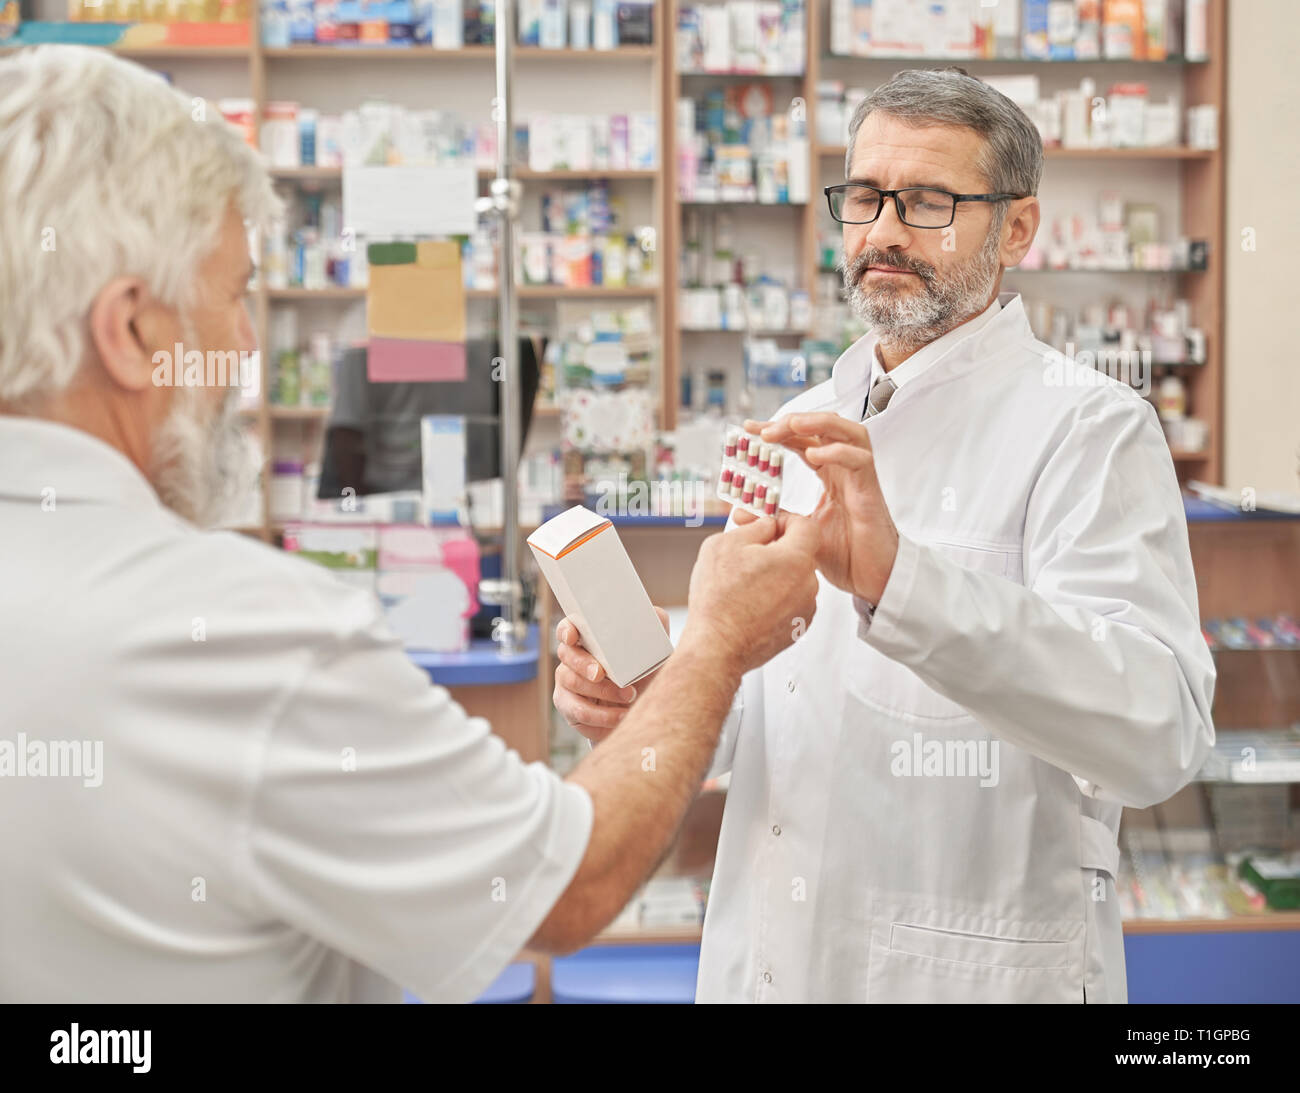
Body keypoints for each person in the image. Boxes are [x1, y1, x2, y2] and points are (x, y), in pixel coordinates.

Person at [0, 45, 821, 1003]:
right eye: (233, 297)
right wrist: (715, 643)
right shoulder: (240, 629)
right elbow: (561, 885)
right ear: (133, 329)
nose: (248, 346)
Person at [554, 68, 1217, 1003]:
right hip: (770, 964)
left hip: (966, 969)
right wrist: (662, 682)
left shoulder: (1088, 427)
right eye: (865, 198)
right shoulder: (805, 419)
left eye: (932, 201)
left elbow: (1160, 732)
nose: (885, 232)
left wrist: (901, 580)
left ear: (1016, 229)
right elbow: (785, 709)